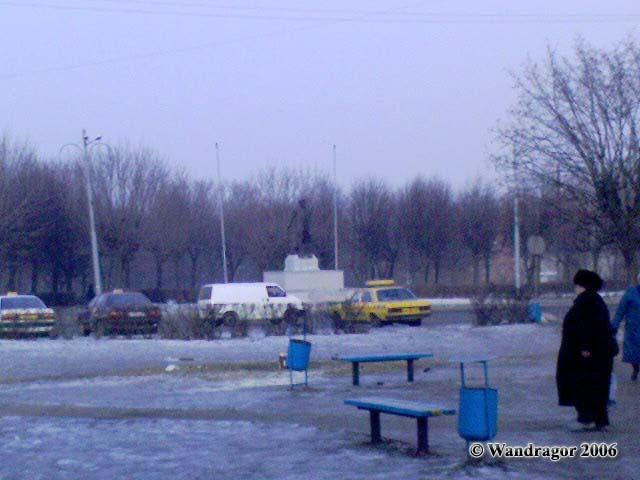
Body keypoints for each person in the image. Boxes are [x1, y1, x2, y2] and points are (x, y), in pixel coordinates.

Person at [556, 269, 617, 431]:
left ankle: (589, 418)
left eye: (577, 284)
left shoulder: (587, 302)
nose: (575, 287)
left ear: (583, 285)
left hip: (588, 356)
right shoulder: (592, 300)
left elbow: (588, 328)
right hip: (595, 354)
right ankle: (597, 419)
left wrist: (585, 347)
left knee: (587, 386)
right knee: (596, 387)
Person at [612, 273, 640, 381]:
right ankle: (636, 368)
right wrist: (614, 326)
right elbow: (620, 311)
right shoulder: (630, 293)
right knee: (634, 352)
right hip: (633, 329)